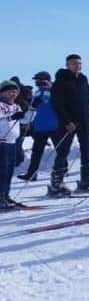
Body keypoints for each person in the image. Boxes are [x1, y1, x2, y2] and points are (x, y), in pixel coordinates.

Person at [50, 54, 89, 197]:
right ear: (67, 65)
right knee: (63, 150)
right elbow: (57, 104)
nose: (77, 66)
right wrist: (67, 121)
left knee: (86, 149)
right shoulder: (60, 81)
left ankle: (86, 179)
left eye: (79, 63)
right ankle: (57, 182)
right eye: (74, 63)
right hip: (68, 123)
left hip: (84, 121)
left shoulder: (83, 80)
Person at [18, 72, 57, 182]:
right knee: (36, 152)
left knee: (60, 149)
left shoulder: (55, 90)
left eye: (39, 80)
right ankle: (31, 174)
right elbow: (32, 109)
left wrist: (51, 88)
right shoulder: (37, 92)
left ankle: (62, 170)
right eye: (36, 80)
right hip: (40, 126)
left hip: (54, 126)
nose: (37, 82)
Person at [0, 80, 26, 208]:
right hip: (2, 141)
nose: (13, 94)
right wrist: (12, 117)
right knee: (2, 170)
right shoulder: (0, 105)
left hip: (12, 142)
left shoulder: (16, 106)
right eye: (10, 91)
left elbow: (25, 119)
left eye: (15, 91)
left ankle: (5, 195)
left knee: (9, 171)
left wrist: (28, 109)